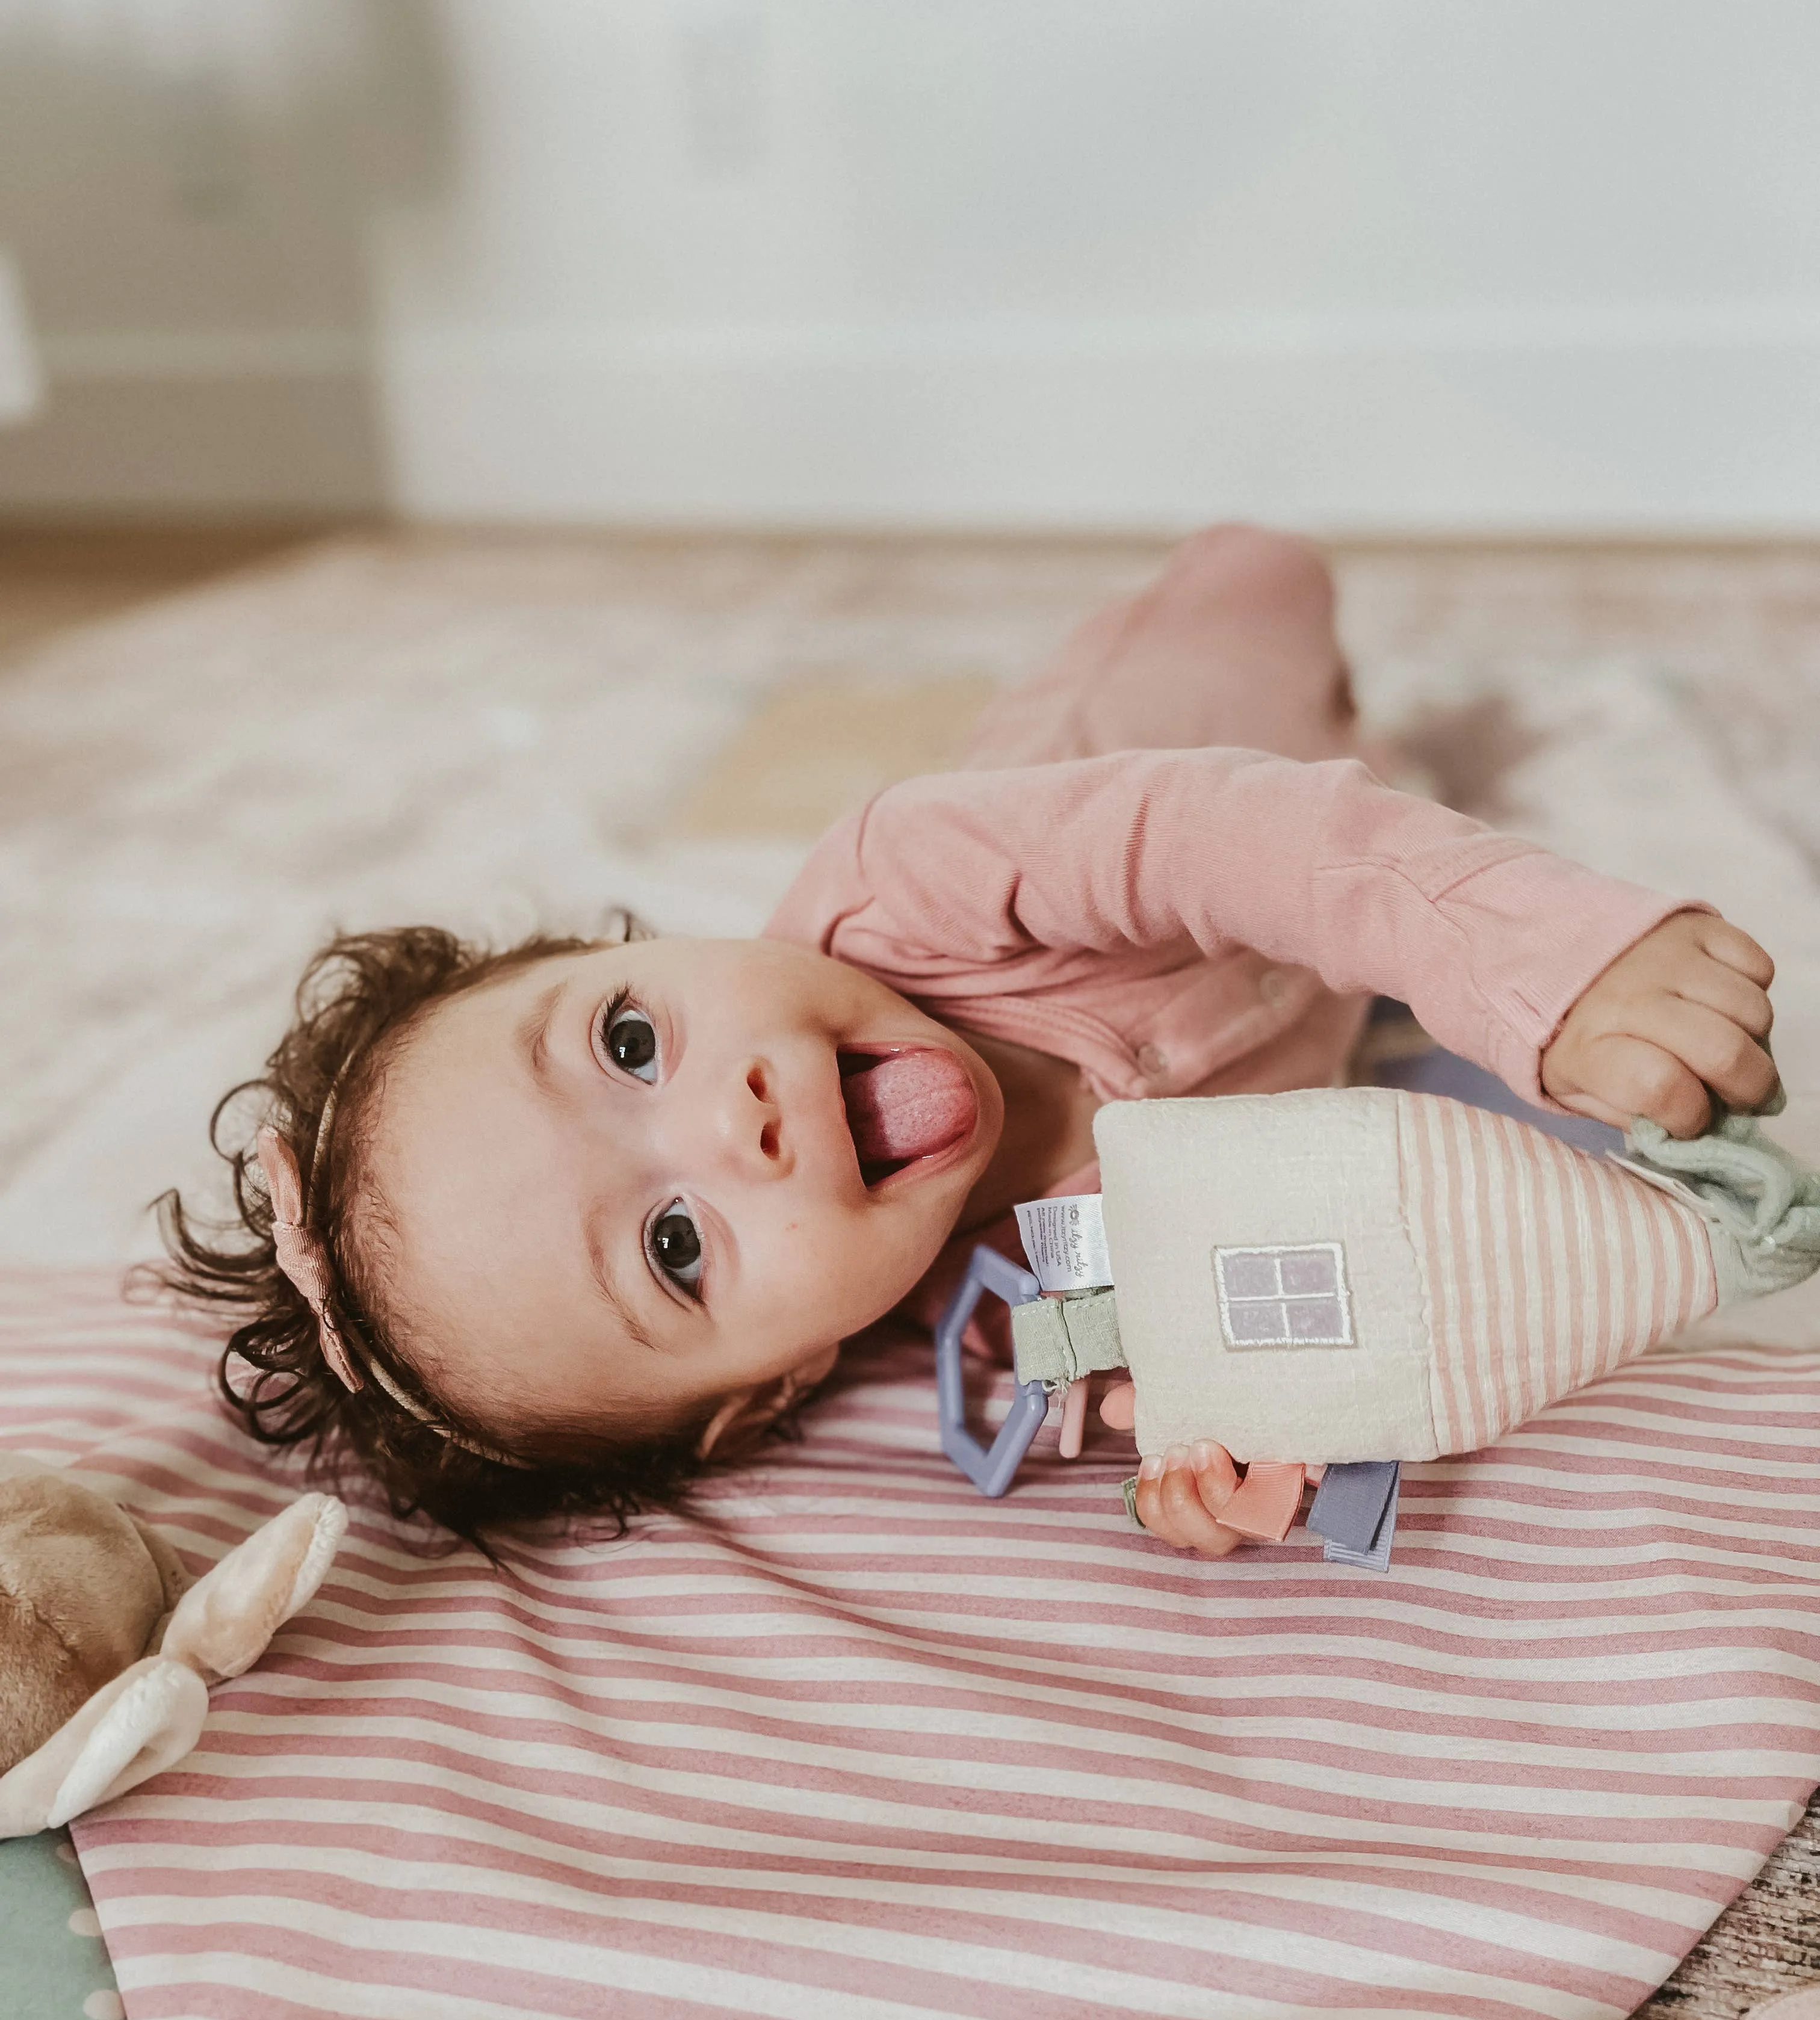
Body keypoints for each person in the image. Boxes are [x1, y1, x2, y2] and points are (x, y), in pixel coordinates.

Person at [160, 528, 1778, 1553]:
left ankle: (1266, 655)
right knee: (1388, 792)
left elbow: (1234, 842)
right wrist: (1221, 1449)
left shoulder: (908, 883)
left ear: (630, 948)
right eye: (672, 1245)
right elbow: (1177, 1348)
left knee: (1257, 594)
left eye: (635, 1040)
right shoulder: (1006, 1307)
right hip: (1323, 993)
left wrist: (1548, 969)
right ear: (773, 1386)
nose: (742, 1124)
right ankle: (1392, 769)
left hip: (1154, 768)